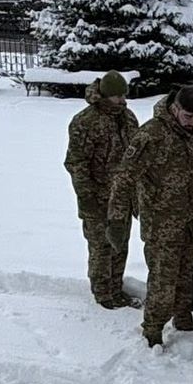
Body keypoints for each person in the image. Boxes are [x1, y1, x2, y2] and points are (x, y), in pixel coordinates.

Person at [108, 86, 193, 347]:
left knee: (186, 276)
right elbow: (124, 179)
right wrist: (116, 218)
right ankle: (153, 331)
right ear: (174, 108)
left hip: (190, 223)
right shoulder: (151, 136)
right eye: (188, 117)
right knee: (162, 281)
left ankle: (183, 319)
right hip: (162, 225)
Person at [65, 71, 140, 309]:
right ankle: (102, 292)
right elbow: (76, 163)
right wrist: (86, 196)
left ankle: (116, 287)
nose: (121, 101)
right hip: (96, 198)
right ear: (105, 95)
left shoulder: (128, 118)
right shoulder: (85, 121)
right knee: (100, 246)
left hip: (123, 197)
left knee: (120, 243)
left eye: (123, 96)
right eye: (116, 96)